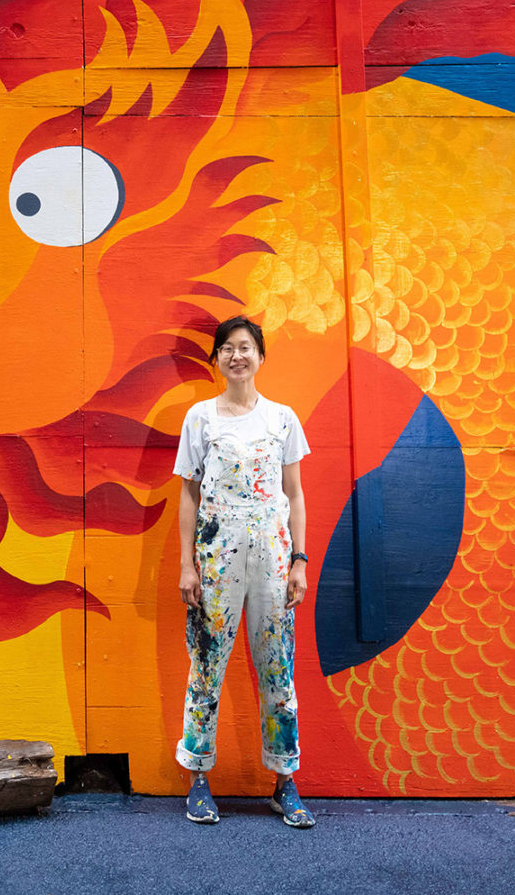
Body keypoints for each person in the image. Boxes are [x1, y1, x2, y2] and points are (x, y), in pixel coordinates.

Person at [172, 314, 315, 828]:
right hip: (215, 553)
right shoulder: (201, 418)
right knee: (207, 663)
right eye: (227, 348)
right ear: (216, 359)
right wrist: (187, 564)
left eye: (246, 347)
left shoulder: (282, 419)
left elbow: (294, 494)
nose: (237, 356)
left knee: (277, 666)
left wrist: (299, 559)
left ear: (260, 356)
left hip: (275, 557)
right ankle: (198, 780)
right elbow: (188, 494)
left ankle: (284, 781)